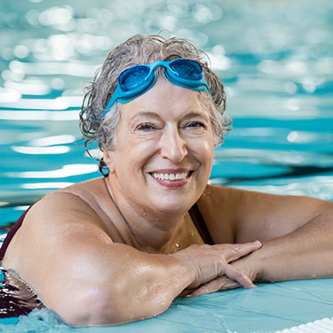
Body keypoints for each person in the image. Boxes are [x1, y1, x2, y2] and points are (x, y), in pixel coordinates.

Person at [1, 34, 333, 327]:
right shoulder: (58, 215)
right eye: (147, 127)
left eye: (193, 125)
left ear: (215, 137)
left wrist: (253, 262)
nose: (175, 151)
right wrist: (191, 264)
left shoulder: (211, 212)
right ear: (106, 148)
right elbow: (97, 295)